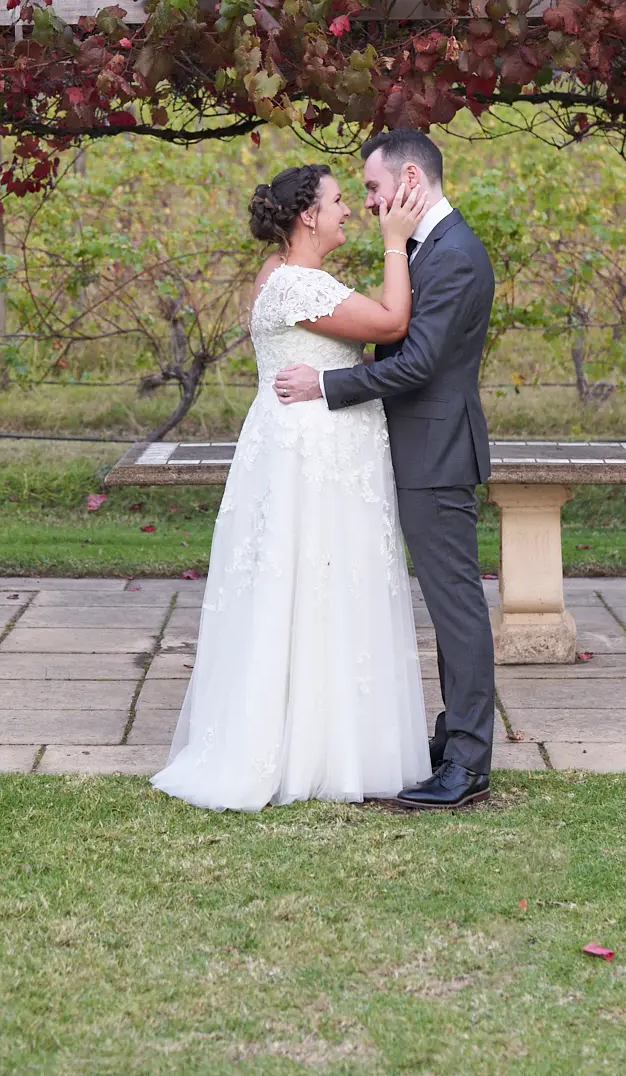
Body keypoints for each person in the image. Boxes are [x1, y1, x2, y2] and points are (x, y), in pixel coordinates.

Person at [151, 162, 430, 811]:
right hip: (314, 459)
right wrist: (397, 239)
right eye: (338, 201)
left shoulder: (283, 278)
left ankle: (325, 744)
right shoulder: (297, 285)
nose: (348, 211)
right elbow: (392, 323)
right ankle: (311, 752)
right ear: (308, 214)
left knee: (316, 590)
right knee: (316, 587)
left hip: (310, 449)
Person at [274, 129, 496, 810]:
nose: (367, 203)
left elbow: (420, 363)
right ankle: (449, 736)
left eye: (371, 189)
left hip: (434, 453)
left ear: (407, 179)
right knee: (445, 602)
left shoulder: (452, 253)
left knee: (455, 607)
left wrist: (327, 386)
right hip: (415, 449)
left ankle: (467, 762)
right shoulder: (430, 245)